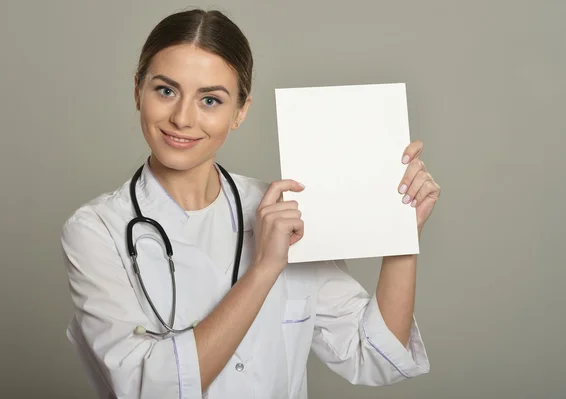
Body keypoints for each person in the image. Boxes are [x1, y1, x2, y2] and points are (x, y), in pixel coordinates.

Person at [60, 8, 441, 399]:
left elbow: (375, 357)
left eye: (210, 100)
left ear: (240, 111)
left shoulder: (281, 210)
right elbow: (151, 390)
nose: (183, 118)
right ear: (138, 89)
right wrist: (264, 269)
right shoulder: (96, 230)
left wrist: (401, 233)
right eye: (166, 90)